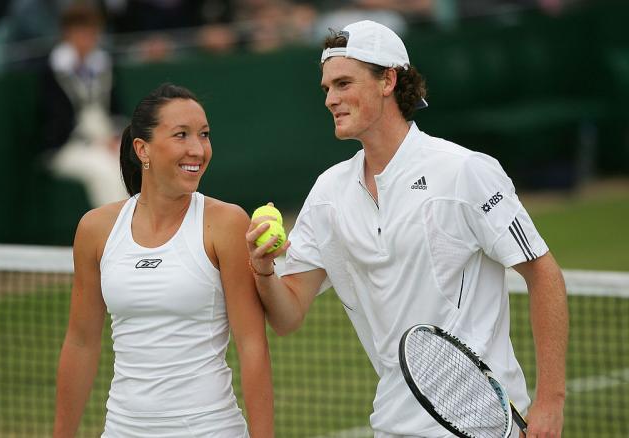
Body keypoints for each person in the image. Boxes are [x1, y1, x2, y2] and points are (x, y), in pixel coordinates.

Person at [247, 20, 568, 438]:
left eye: (343, 84)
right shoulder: (328, 194)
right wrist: (264, 269)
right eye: (326, 88)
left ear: (388, 80)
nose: (330, 99)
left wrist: (550, 400)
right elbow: (287, 316)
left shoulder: (465, 171)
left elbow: (543, 273)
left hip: (485, 425)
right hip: (392, 426)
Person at [54, 83, 274, 437]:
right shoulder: (95, 229)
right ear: (142, 149)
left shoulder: (227, 223)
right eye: (181, 135)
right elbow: (81, 342)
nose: (198, 149)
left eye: (204, 135)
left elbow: (252, 346)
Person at [40, 3, 127, 207]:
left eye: (91, 32)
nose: (86, 38)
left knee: (133, 162)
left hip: (106, 141)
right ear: (67, 34)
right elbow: (56, 121)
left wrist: (114, 137)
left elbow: (115, 109)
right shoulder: (53, 69)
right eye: (80, 32)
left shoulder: (103, 64)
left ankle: (136, 223)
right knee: (103, 169)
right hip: (67, 147)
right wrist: (96, 141)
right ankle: (113, 225)